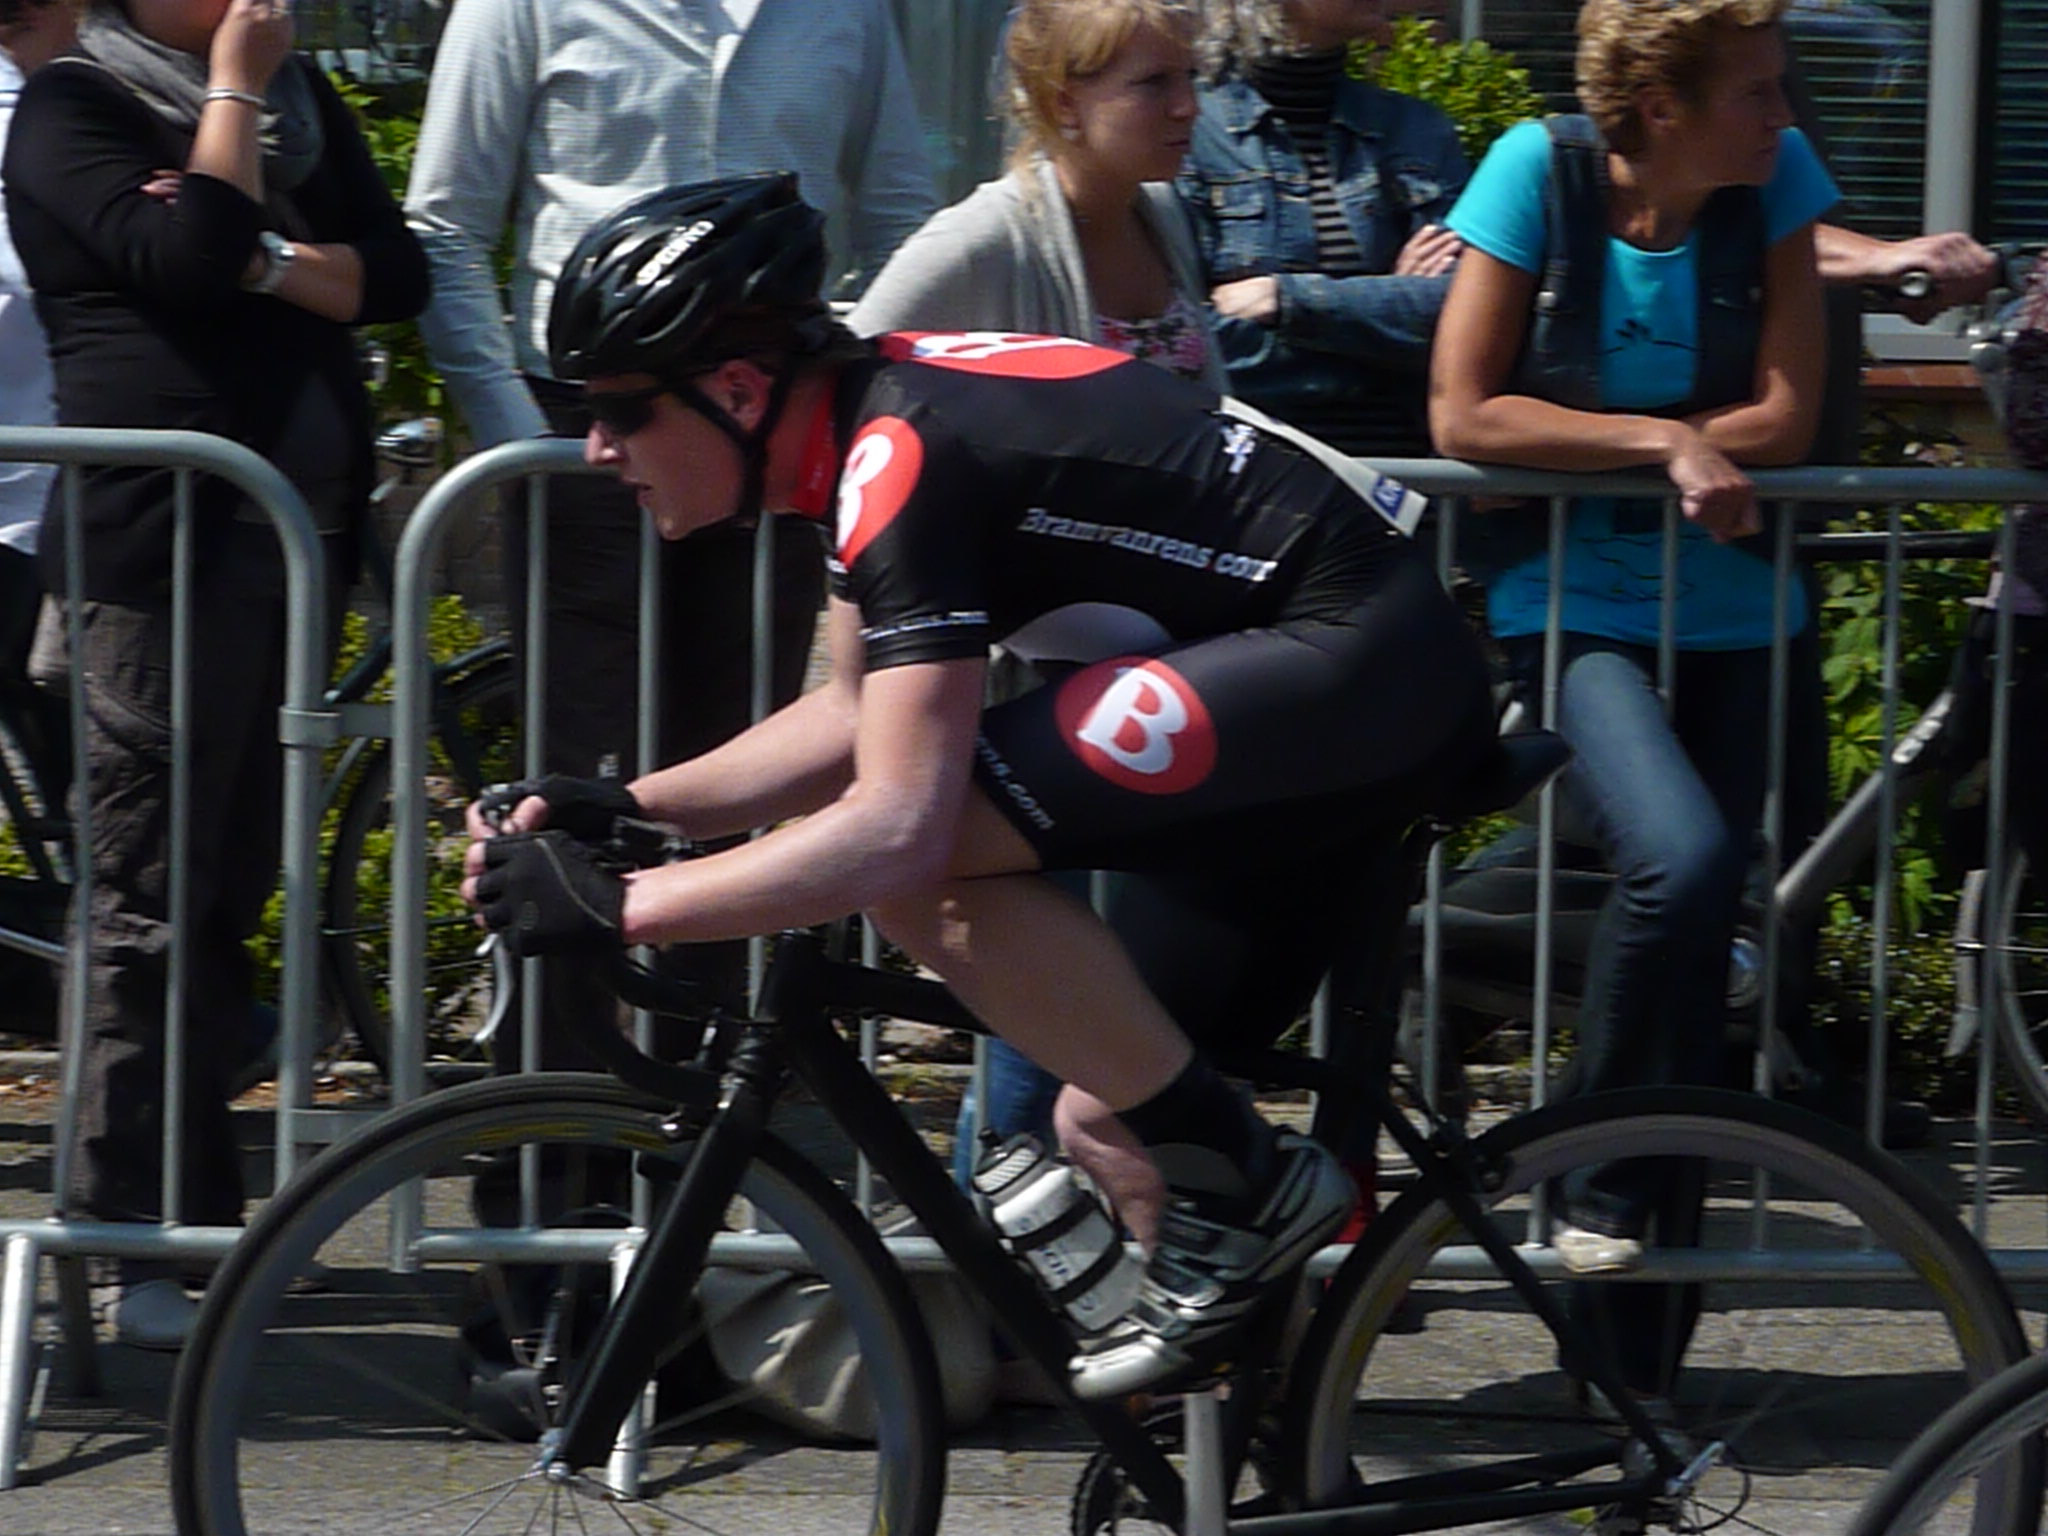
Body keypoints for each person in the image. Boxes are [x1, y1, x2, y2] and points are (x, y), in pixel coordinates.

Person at [460, 173, 1498, 1398]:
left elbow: (897, 827)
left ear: (734, 391)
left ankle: (1263, 1191)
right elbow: (851, 716)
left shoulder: (901, 457)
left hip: (1354, 657)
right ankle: (1270, 1444)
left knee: (926, 868)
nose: (594, 446)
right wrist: (637, 806)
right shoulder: (870, 429)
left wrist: (623, 908)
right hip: (1316, 670)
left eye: (620, 412)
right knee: (1107, 1121)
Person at [3, 0, 428, 1348]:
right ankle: (120, 1239)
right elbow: (187, 256)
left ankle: (192, 1221)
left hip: (281, 539)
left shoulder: (298, 104)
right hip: (155, 547)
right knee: (144, 902)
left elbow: (395, 271)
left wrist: (266, 252)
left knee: (232, 886)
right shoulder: (77, 104)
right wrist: (236, 94)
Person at [403, 0, 938, 1063]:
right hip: (585, 436)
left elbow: (901, 218)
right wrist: (536, 438)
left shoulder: (847, 14)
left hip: (771, 429)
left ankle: (693, 1130)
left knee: (735, 770)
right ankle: (553, 1148)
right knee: (577, 785)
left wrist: (837, 408)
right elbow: (445, 225)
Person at [1427, 0, 1832, 1399]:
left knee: (1707, 966)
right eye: (1760, 91)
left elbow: (1788, 413)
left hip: (1736, 617)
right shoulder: (1533, 176)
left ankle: (1636, 1375)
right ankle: (1584, 1176)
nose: (1784, 115)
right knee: (1680, 856)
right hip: (1569, 607)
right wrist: (1659, 441)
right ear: (1660, 105)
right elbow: (1466, 417)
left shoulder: (1774, 183)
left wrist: (1653, 448)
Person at [852, 0, 1227, 1184]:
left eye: (1188, 79)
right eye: (1151, 86)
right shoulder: (986, 240)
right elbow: (856, 377)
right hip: (1043, 683)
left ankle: (1020, 1277)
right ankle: (1009, 1285)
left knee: (1098, 996)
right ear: (1064, 102)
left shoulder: (1163, 220)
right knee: (1046, 990)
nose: (1185, 110)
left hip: (1163, 670)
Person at [1177, 0, 1467, 458]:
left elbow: (1465, 311)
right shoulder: (1187, 131)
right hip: (1253, 478)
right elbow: (1192, 342)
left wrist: (1288, 300)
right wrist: (1387, 335)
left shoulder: (1416, 128)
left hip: (1404, 484)